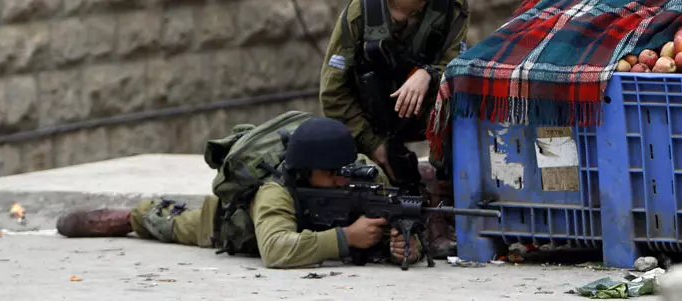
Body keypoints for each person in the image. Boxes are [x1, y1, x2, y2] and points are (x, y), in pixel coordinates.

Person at [55, 117, 420, 268]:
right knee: (163, 220)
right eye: (331, 175)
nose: (344, 181)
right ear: (306, 172)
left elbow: (393, 219)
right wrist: (345, 239)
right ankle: (131, 215)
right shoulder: (275, 192)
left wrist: (402, 243)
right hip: (223, 225)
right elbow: (275, 251)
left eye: (345, 172)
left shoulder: (362, 176)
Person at [319, 0, 468, 256]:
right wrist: (375, 145)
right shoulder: (362, 14)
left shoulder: (451, 3)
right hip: (370, 123)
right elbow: (333, 93)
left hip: (424, 113)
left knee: (464, 96)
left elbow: (457, 63)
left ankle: (444, 193)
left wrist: (428, 73)